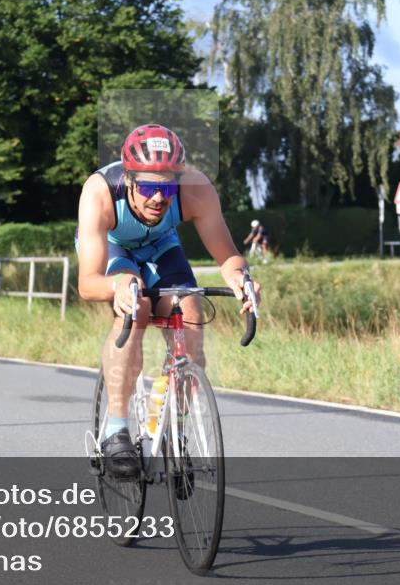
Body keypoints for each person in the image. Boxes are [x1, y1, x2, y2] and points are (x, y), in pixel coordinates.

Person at [76, 124, 262, 478]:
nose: (158, 198)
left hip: (161, 247)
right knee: (136, 303)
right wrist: (117, 290)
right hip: (116, 249)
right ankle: (117, 430)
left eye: (167, 187)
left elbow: (228, 257)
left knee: (190, 311)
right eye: (147, 187)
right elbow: (88, 283)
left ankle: (173, 429)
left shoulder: (198, 190)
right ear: (129, 179)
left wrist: (241, 277)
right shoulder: (100, 192)